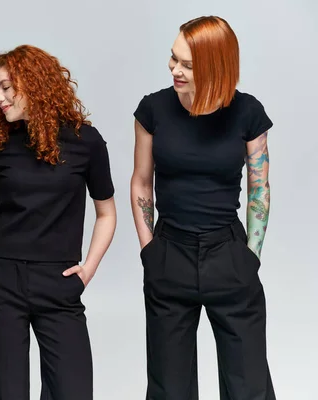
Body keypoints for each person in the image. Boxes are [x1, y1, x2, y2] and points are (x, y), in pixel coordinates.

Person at [131, 16, 276, 399]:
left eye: (187, 64)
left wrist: (251, 257)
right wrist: (149, 250)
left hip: (229, 254)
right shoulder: (153, 111)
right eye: (173, 58)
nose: (173, 68)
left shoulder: (248, 113)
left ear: (215, 65)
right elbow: (141, 181)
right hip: (169, 254)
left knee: (249, 387)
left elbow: (259, 189)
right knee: (169, 389)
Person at [0, 44, 116, 400]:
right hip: (1, 279)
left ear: (35, 83)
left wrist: (88, 268)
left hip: (59, 281)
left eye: (6, 87)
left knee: (73, 390)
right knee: (4, 392)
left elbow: (106, 213)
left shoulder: (86, 142)